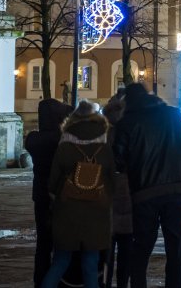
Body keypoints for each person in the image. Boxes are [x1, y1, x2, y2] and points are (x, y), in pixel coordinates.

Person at [113, 83, 181, 288]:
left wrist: (133, 166)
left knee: (141, 250)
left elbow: (118, 159)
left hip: (143, 192)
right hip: (177, 189)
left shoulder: (127, 122)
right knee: (176, 250)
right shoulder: (174, 115)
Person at [42, 101, 115, 288]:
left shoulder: (64, 144)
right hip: (97, 211)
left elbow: (52, 183)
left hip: (67, 211)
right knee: (90, 263)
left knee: (60, 261)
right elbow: (112, 180)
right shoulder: (105, 145)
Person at [25, 98, 72, 288]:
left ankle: (40, 280)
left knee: (43, 243)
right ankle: (58, 280)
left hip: (40, 195)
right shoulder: (62, 139)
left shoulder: (34, 139)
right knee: (61, 243)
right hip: (60, 196)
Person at [102, 97, 133, 288]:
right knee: (126, 248)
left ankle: (105, 282)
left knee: (106, 248)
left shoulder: (102, 134)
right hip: (128, 192)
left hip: (107, 193)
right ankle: (122, 283)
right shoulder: (132, 132)